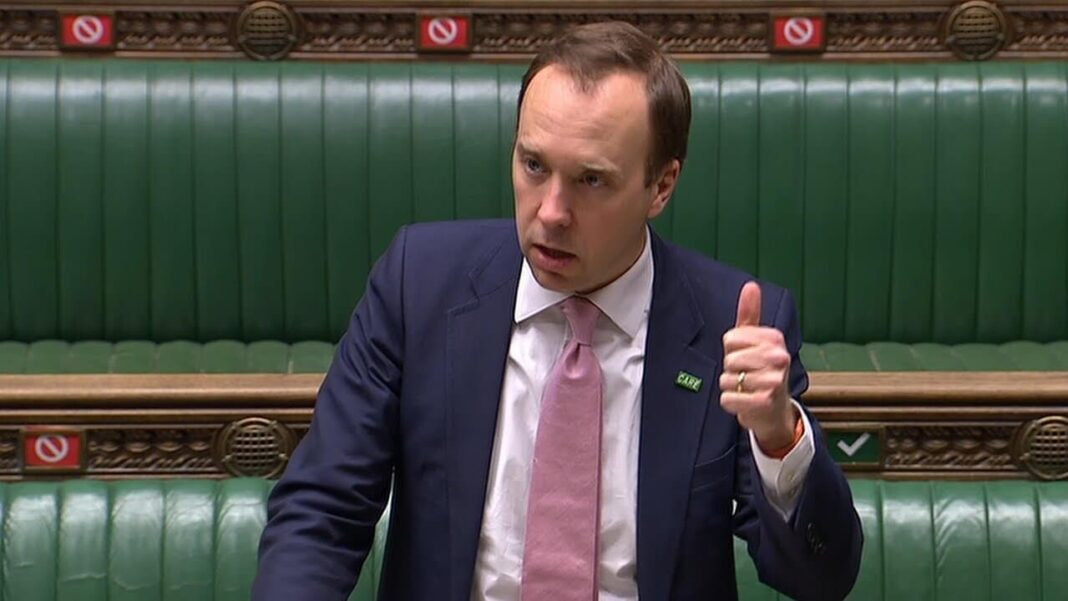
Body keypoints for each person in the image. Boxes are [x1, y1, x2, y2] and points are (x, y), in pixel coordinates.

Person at [253, 21, 862, 601]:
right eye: (534, 165)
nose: (550, 212)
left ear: (661, 186)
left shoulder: (736, 325)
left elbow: (822, 579)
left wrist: (779, 437)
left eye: (591, 180)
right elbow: (323, 509)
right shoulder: (419, 286)